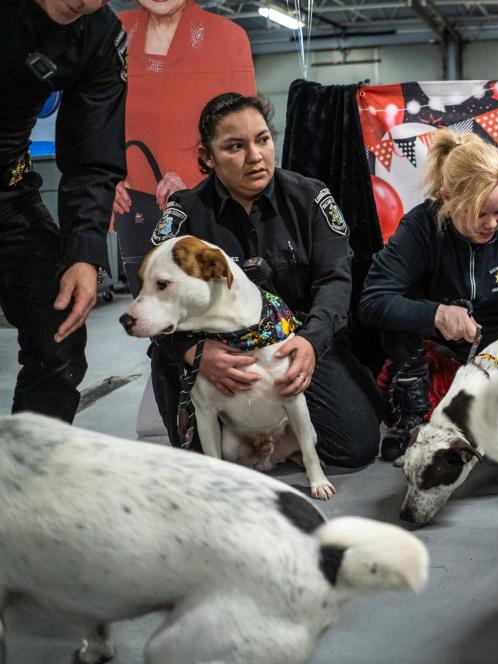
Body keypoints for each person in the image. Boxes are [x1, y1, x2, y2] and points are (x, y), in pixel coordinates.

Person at [149, 93, 381, 468]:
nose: (255, 156)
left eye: (263, 139)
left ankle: (275, 434)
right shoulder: (186, 214)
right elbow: (153, 299)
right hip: (215, 352)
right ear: (208, 157)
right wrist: (193, 353)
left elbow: (335, 282)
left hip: (294, 345)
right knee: (201, 464)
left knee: (356, 448)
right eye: (235, 147)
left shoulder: (310, 198)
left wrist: (311, 343)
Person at [359, 130, 498, 461]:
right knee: (399, 321)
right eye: (479, 213)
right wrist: (436, 314)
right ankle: (410, 417)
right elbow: (372, 300)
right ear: (447, 199)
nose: (492, 224)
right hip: (438, 354)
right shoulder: (420, 227)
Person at [1, 0, 126, 422]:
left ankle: (27, 479)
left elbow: (91, 158)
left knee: (59, 342)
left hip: (9, 192)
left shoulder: (100, 35)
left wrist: (84, 255)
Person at [113, 0, 255, 216]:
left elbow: (244, 140)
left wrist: (199, 190)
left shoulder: (227, 37)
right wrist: (103, 181)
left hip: (203, 214)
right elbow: (89, 122)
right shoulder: (113, 32)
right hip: (124, 215)